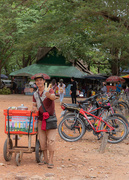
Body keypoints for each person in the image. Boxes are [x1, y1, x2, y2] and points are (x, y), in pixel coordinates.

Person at [31, 74, 58, 168]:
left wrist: (49, 95)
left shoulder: (49, 90)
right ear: (36, 83)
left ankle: (51, 160)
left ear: (44, 81)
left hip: (50, 119)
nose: (39, 82)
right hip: (40, 119)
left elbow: (54, 97)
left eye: (40, 80)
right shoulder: (35, 94)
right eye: (37, 80)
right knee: (42, 141)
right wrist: (34, 108)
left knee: (51, 140)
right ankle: (45, 159)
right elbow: (34, 104)